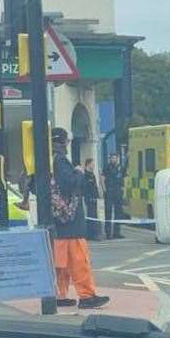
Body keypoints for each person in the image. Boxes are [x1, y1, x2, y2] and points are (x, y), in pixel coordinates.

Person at [51, 128, 109, 309]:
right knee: (79, 261)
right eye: (67, 142)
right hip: (71, 221)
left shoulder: (48, 160)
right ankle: (87, 296)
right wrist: (79, 172)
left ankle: (59, 295)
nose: (68, 145)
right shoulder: (61, 161)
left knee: (60, 264)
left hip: (58, 221)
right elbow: (69, 184)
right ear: (62, 142)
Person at [102, 152, 125, 239]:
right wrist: (104, 190)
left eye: (115, 158)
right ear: (110, 159)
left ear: (117, 158)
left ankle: (117, 232)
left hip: (118, 191)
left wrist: (123, 188)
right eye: (112, 158)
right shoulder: (107, 167)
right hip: (110, 191)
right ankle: (108, 233)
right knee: (108, 212)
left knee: (118, 212)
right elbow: (103, 178)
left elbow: (123, 177)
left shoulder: (120, 167)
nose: (113, 159)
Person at [83, 158, 100, 241]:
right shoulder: (85, 175)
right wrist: (88, 197)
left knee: (94, 216)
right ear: (88, 164)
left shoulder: (92, 174)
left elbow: (95, 186)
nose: (93, 166)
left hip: (94, 199)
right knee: (90, 216)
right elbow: (85, 188)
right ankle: (89, 235)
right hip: (89, 199)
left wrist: (96, 196)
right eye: (92, 164)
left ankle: (94, 234)